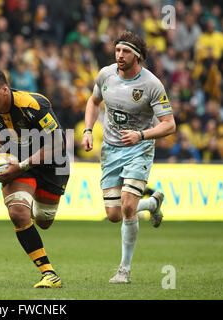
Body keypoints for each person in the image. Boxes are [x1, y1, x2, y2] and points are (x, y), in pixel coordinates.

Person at [81, 31, 176, 284]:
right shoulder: (105, 75)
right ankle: (153, 204)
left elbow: (169, 125)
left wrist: (142, 135)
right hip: (111, 149)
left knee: (127, 206)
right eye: (117, 50)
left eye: (125, 52)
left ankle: (124, 270)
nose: (119, 55)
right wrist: (88, 130)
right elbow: (93, 102)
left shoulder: (152, 84)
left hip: (139, 149)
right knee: (114, 214)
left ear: (138, 56)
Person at [0, 67, 70, 288]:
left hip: (51, 164)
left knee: (43, 221)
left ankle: (36, 197)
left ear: (4, 90)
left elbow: (58, 145)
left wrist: (22, 165)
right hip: (18, 161)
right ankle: (49, 273)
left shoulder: (34, 105)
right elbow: (0, 140)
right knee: (18, 213)